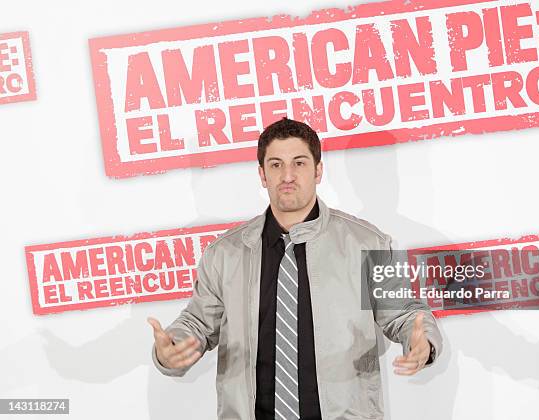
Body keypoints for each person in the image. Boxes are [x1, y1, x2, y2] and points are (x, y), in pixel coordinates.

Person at [147, 118, 443, 419]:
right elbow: (198, 324)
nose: (287, 175)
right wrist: (170, 350)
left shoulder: (370, 242)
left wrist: (422, 342)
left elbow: (404, 312)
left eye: (299, 163)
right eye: (275, 165)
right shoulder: (224, 253)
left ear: (318, 170)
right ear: (262, 174)